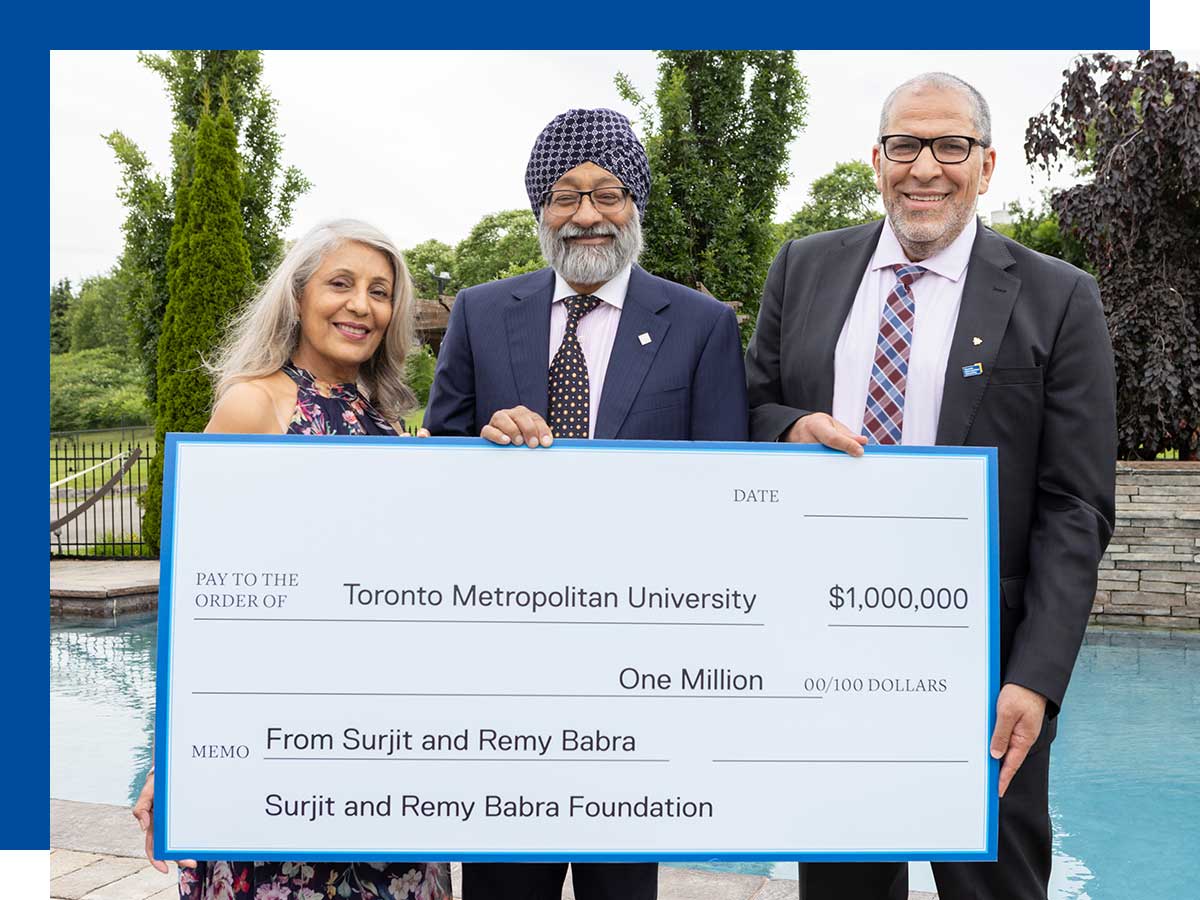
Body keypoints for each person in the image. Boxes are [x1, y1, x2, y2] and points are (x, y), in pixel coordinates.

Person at [744, 73, 1116, 900]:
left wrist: (1037, 677)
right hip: (828, 641)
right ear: (876, 160)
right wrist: (789, 428)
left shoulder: (1059, 297)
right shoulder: (802, 268)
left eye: (951, 146)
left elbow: (1075, 505)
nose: (926, 168)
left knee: (994, 886)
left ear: (987, 166)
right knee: (840, 879)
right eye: (906, 145)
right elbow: (751, 408)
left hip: (987, 662)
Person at [424, 108, 748, 900]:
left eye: (608, 192)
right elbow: (435, 471)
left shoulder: (702, 326)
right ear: (540, 210)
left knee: (619, 886)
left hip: (635, 670)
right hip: (503, 667)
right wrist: (481, 446)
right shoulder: (479, 310)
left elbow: (727, 496)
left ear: (635, 203)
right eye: (565, 196)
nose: (588, 214)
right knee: (503, 887)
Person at [131, 219, 451, 900]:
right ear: (300, 295)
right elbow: (203, 595)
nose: (361, 306)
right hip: (278, 750)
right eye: (341, 284)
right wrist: (173, 754)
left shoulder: (387, 423)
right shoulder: (256, 404)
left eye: (380, 291)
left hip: (380, 755)